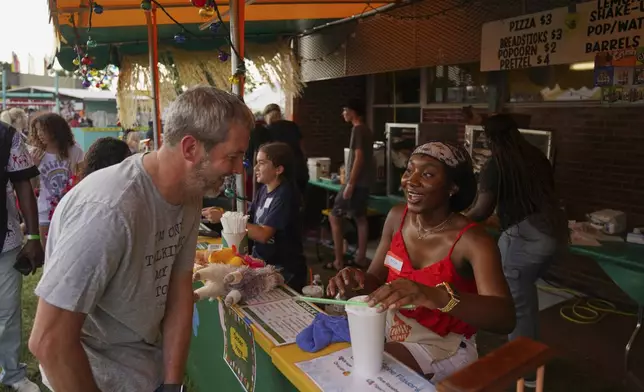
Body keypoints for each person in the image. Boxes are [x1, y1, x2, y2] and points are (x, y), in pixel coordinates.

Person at [28, 86, 254, 392]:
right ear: (190, 149)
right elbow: (49, 342)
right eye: (233, 156)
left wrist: (172, 384)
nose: (238, 168)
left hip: (145, 373)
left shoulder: (189, 193)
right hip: (92, 379)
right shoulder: (108, 210)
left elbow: (178, 291)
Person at [327, 141, 515, 383]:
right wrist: (355, 280)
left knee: (367, 377)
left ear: (452, 187)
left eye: (427, 174)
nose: (411, 181)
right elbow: (374, 281)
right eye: (409, 170)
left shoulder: (472, 241)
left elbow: (504, 318)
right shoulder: (397, 217)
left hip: (441, 344)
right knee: (337, 361)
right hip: (391, 328)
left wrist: (436, 296)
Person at [466, 114, 567, 349]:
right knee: (518, 291)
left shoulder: (497, 164)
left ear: (491, 138)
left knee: (519, 303)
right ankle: (514, 336)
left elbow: (481, 210)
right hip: (549, 233)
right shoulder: (537, 156)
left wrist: (457, 220)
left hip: (524, 237)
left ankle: (525, 366)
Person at [203, 142, 307, 292]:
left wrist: (224, 217)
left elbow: (263, 234)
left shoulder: (284, 195)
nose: (256, 168)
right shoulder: (264, 190)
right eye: (256, 163)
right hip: (262, 265)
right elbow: (248, 221)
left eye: (262, 163)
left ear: (278, 169)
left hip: (284, 271)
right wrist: (224, 215)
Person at [0, 121, 44, 392]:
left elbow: (23, 185)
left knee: (7, 312)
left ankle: (13, 373)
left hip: (4, 240)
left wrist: (34, 237)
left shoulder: (7, 136)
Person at [326, 100, 373, 270]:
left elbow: (359, 157)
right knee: (360, 218)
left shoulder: (358, 129)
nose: (343, 113)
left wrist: (350, 184)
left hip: (356, 182)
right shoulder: (366, 129)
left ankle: (339, 261)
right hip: (365, 182)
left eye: (345, 109)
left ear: (353, 111)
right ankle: (360, 258)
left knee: (334, 216)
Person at [28, 113, 85, 250]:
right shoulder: (35, 153)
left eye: (43, 130)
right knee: (48, 252)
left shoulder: (74, 151)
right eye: (37, 130)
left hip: (70, 208)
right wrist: (33, 167)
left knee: (68, 250)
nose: (39, 134)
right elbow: (31, 187)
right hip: (45, 210)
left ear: (55, 130)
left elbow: (83, 178)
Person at [262, 104, 309, 196]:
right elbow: (302, 147)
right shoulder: (293, 126)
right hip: (300, 169)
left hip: (282, 173)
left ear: (266, 116)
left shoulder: (267, 130)